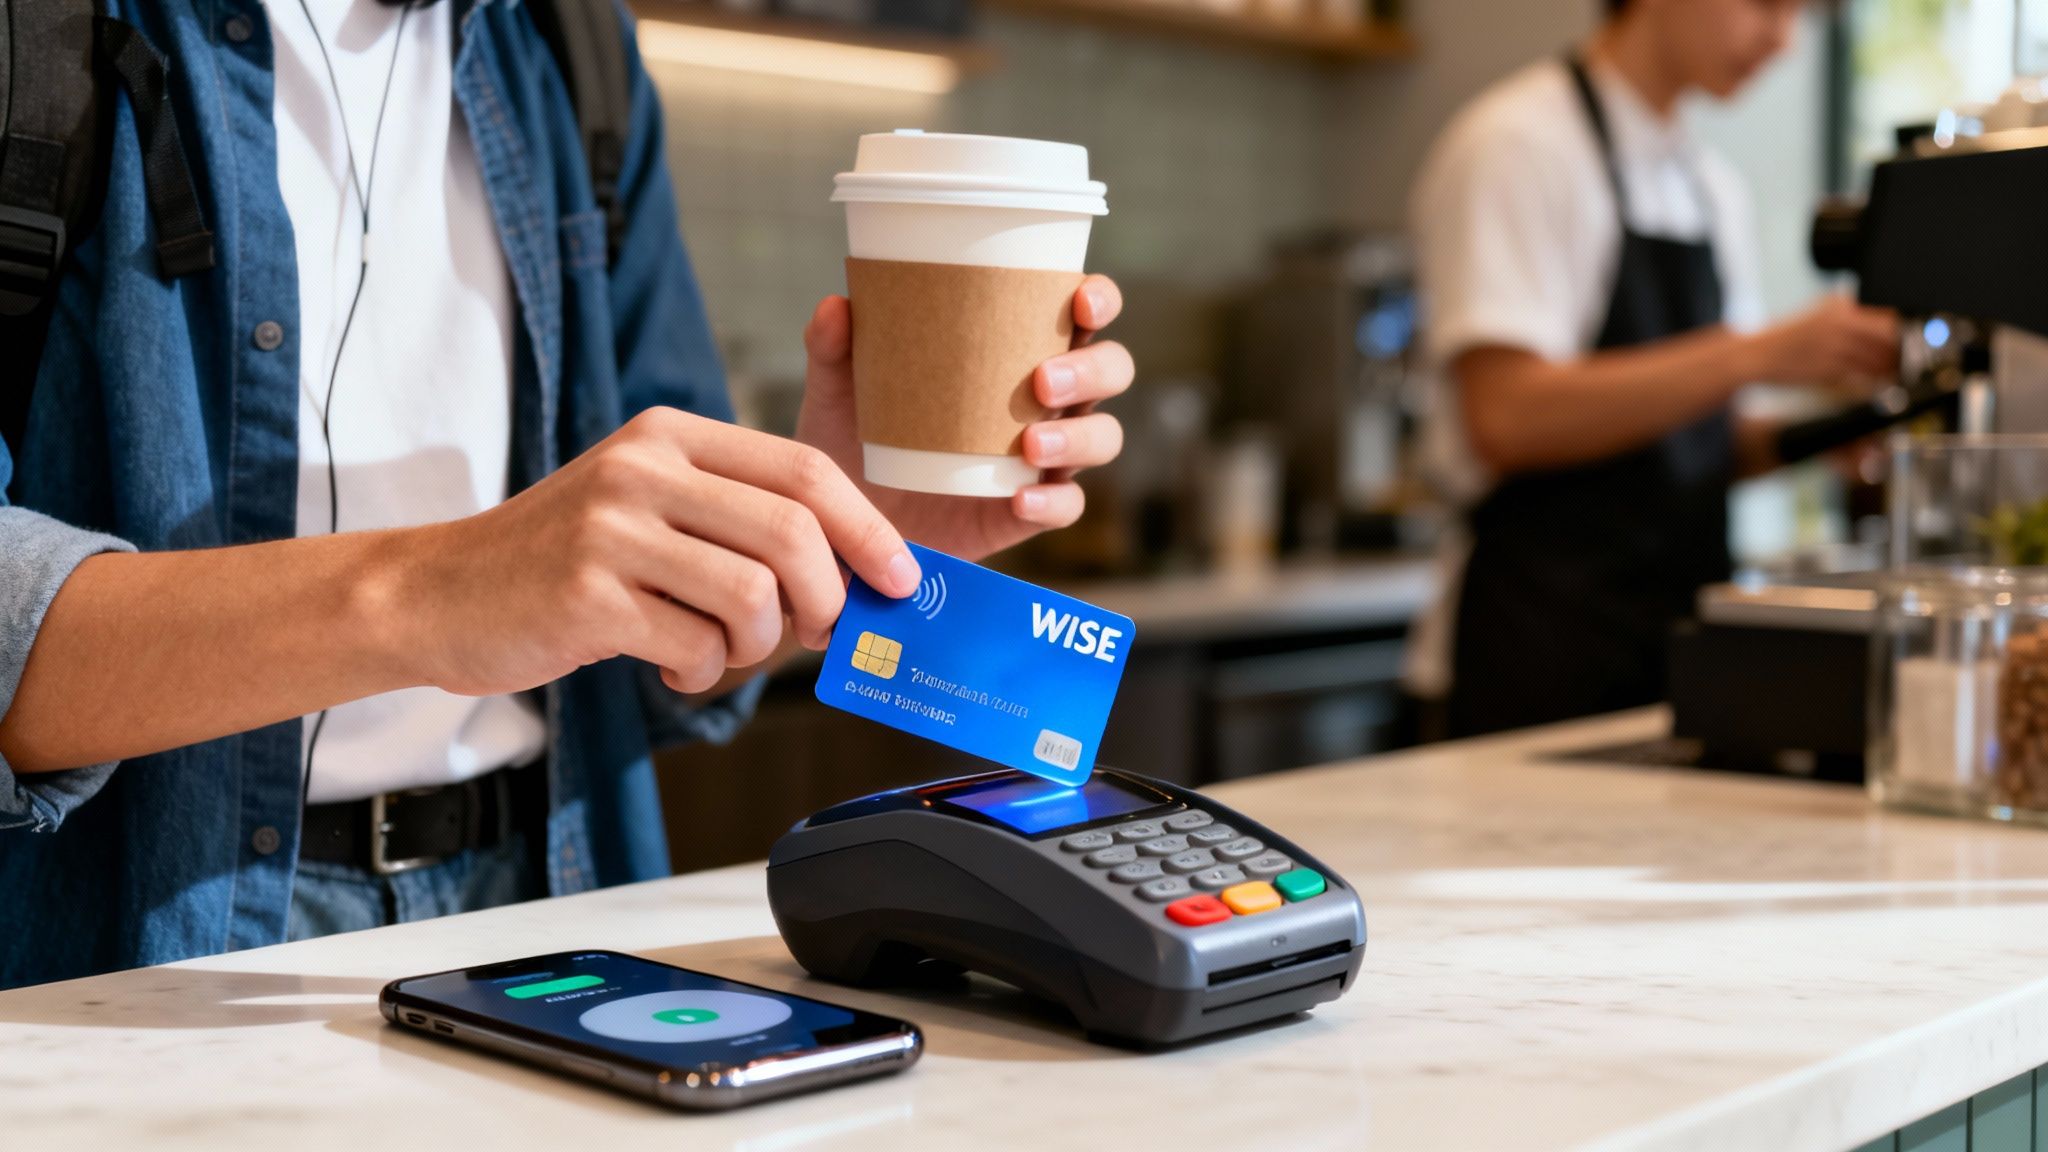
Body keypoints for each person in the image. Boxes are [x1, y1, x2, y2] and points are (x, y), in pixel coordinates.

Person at [0, 0, 1134, 988]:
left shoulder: (568, 46)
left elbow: (657, 648)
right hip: (131, 949)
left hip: (549, 908)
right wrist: (439, 592)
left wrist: (841, 552)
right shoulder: (38, 42)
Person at [1405, 0, 1898, 737]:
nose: (1781, 41)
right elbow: (1505, 417)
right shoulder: (1517, 143)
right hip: (1532, 658)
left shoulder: (1710, 188)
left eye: (1800, 16)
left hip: (1667, 664)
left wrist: (1843, 427)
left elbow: (1702, 447)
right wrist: (1757, 352)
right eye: (1765, 4)